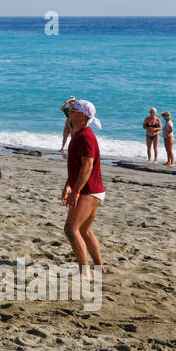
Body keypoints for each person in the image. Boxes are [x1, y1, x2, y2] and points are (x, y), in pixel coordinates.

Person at [62, 99, 106, 277]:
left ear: (82, 115)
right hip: (92, 189)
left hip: (89, 190)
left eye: (73, 111)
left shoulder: (86, 136)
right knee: (84, 231)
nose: (69, 113)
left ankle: (84, 272)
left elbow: (87, 166)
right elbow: (76, 166)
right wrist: (68, 185)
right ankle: (99, 268)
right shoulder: (79, 134)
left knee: (71, 229)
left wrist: (76, 191)